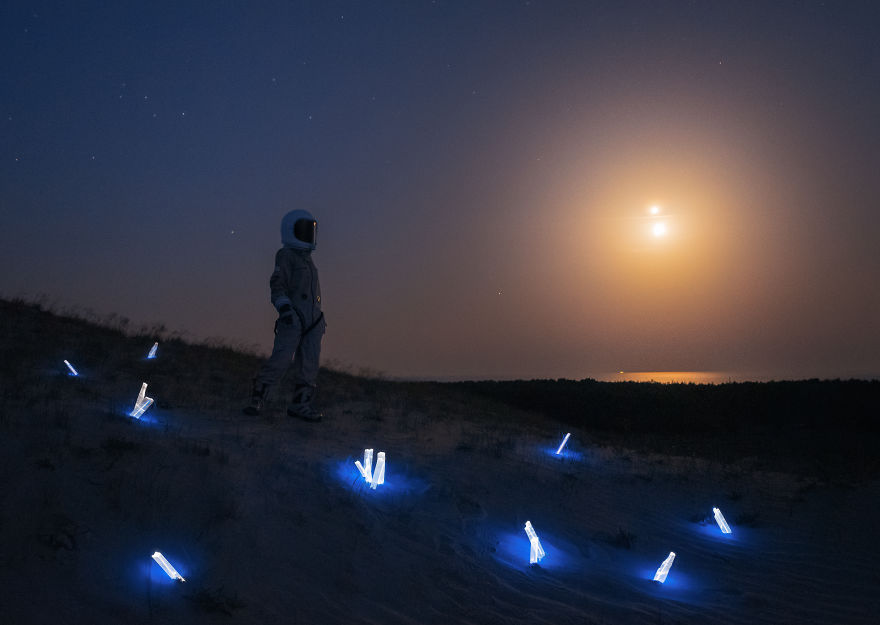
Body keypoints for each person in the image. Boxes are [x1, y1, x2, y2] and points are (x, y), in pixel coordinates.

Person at [243, 209, 326, 420]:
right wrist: (285, 308)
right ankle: (258, 399)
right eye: (303, 229)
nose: (308, 234)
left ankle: (301, 404)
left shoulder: (308, 261)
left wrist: (318, 320)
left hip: (313, 320)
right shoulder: (286, 255)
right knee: (281, 359)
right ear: (290, 230)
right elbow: (277, 285)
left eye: (310, 230)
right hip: (293, 318)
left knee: (309, 365)